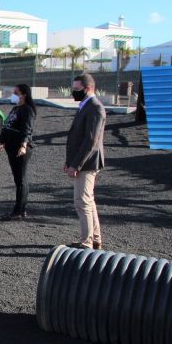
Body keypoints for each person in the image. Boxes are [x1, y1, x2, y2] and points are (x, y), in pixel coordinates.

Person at [64, 74, 106, 250]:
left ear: (87, 89)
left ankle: (86, 242)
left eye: (76, 89)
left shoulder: (95, 108)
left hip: (87, 163)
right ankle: (94, 239)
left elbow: (91, 141)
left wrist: (76, 165)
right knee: (88, 200)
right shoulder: (85, 106)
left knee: (81, 202)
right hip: (81, 161)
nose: (73, 92)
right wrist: (69, 161)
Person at [0, 83, 36, 221]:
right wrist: (2, 143)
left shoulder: (28, 110)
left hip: (20, 148)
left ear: (24, 94)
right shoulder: (15, 109)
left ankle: (19, 210)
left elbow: (27, 129)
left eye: (16, 93)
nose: (14, 95)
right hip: (11, 146)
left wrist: (23, 145)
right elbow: (7, 126)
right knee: (18, 179)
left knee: (21, 179)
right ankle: (20, 209)